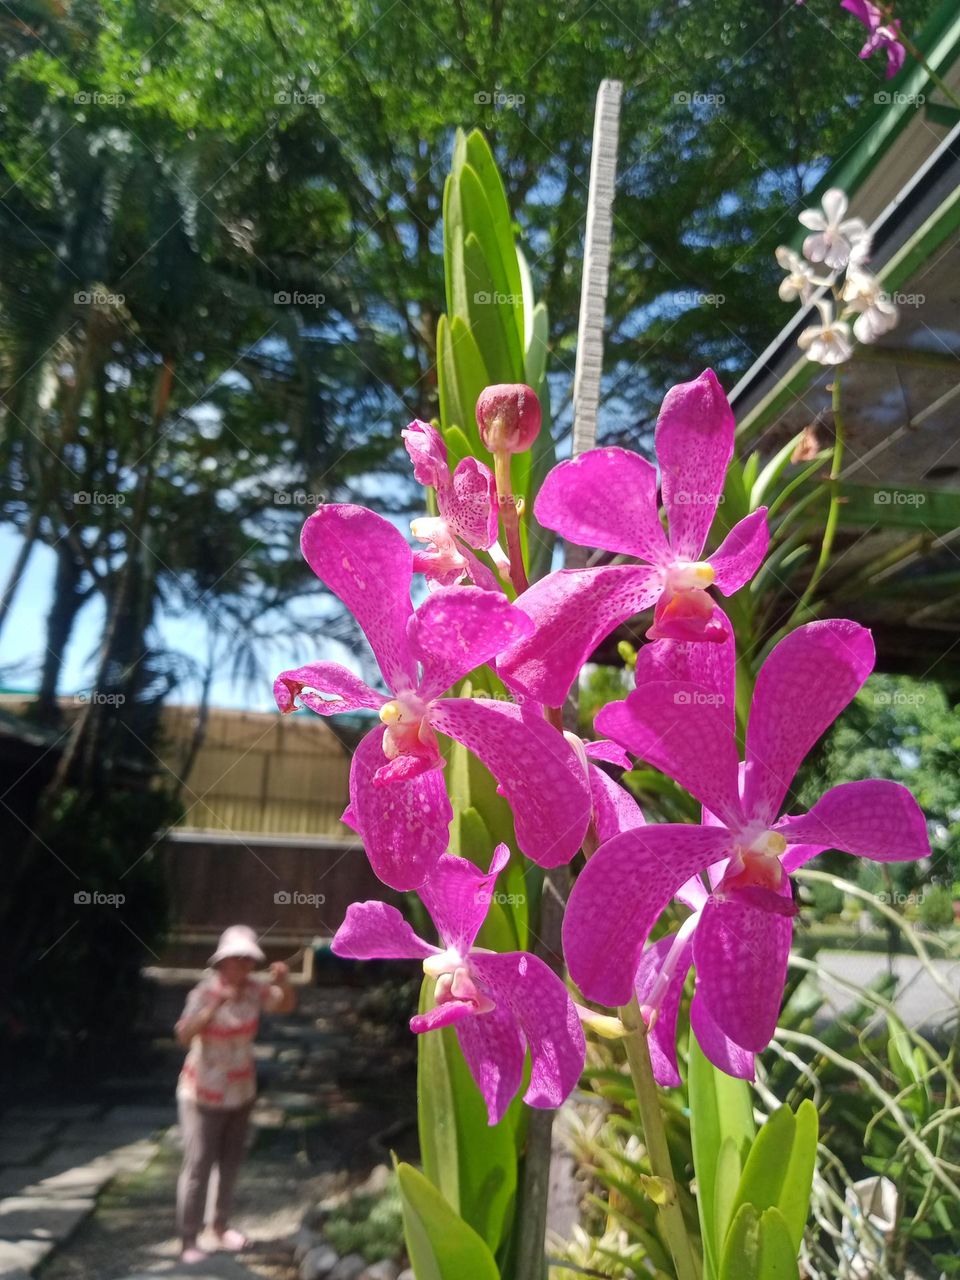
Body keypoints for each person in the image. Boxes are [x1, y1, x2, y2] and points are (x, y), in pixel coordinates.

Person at [174, 924, 296, 1264]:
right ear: (222, 962)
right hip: (202, 1090)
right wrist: (213, 1008)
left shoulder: (255, 990)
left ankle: (219, 1227)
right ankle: (188, 1238)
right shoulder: (203, 993)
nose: (242, 965)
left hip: (241, 1088)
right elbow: (183, 1035)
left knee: (230, 1161)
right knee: (198, 1163)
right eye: (236, 959)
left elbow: (284, 1006)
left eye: (247, 959)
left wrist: (284, 981)